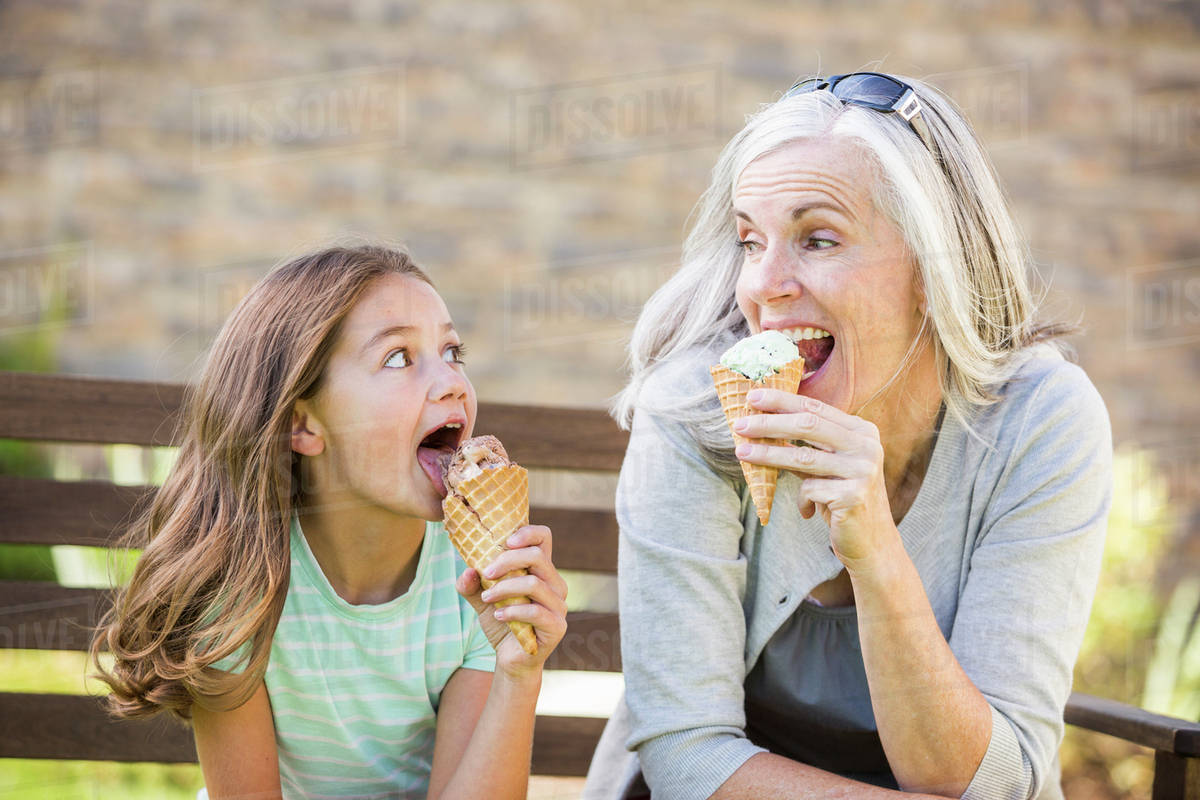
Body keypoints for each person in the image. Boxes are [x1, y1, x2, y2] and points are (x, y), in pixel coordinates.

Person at [586, 73, 1111, 800]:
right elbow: (685, 755)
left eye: (818, 239)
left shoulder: (1041, 422)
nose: (763, 286)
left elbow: (992, 783)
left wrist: (876, 551)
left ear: (935, 267)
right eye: (749, 240)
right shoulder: (697, 410)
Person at [89, 243, 568, 799]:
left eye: (453, 351)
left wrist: (519, 673)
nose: (453, 382)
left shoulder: (478, 582)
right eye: (398, 357)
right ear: (303, 423)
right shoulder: (242, 588)